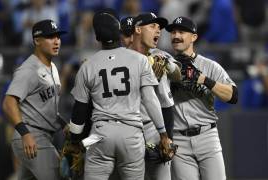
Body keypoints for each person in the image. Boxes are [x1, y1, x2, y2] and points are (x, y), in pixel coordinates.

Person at [68, 9, 172, 180]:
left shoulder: (87, 66)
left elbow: (79, 113)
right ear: (119, 33)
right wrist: (164, 134)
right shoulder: (140, 60)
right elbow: (150, 100)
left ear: (97, 38)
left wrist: (75, 142)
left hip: (99, 134)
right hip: (132, 133)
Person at [165, 16, 238, 180]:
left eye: (181, 32)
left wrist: (205, 80)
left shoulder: (209, 66)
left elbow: (233, 96)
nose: (176, 35)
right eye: (173, 32)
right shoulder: (165, 66)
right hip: (179, 139)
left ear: (194, 37)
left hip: (207, 136)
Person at [2, 19, 67, 179]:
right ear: (37, 40)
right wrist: (25, 134)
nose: (56, 41)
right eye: (50, 37)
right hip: (32, 136)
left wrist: (64, 124)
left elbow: (43, 107)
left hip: (43, 134)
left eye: (58, 36)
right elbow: (8, 103)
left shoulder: (53, 67)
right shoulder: (28, 69)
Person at [130, 13, 181, 180]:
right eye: (152, 26)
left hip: (154, 129)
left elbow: (178, 76)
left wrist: (168, 139)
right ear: (138, 29)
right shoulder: (123, 58)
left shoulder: (160, 56)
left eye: (159, 28)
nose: (158, 31)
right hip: (128, 129)